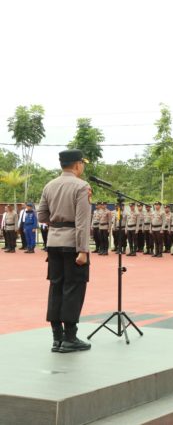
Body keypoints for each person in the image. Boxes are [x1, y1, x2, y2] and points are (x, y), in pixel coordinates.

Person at [37, 149, 92, 353]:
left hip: (53, 242)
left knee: (56, 286)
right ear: (77, 165)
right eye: (82, 163)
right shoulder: (81, 186)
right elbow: (82, 222)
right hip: (73, 245)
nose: (83, 167)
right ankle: (70, 337)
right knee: (73, 287)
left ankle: (56, 338)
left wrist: (58, 225)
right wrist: (83, 250)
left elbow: (42, 214)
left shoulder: (50, 185)